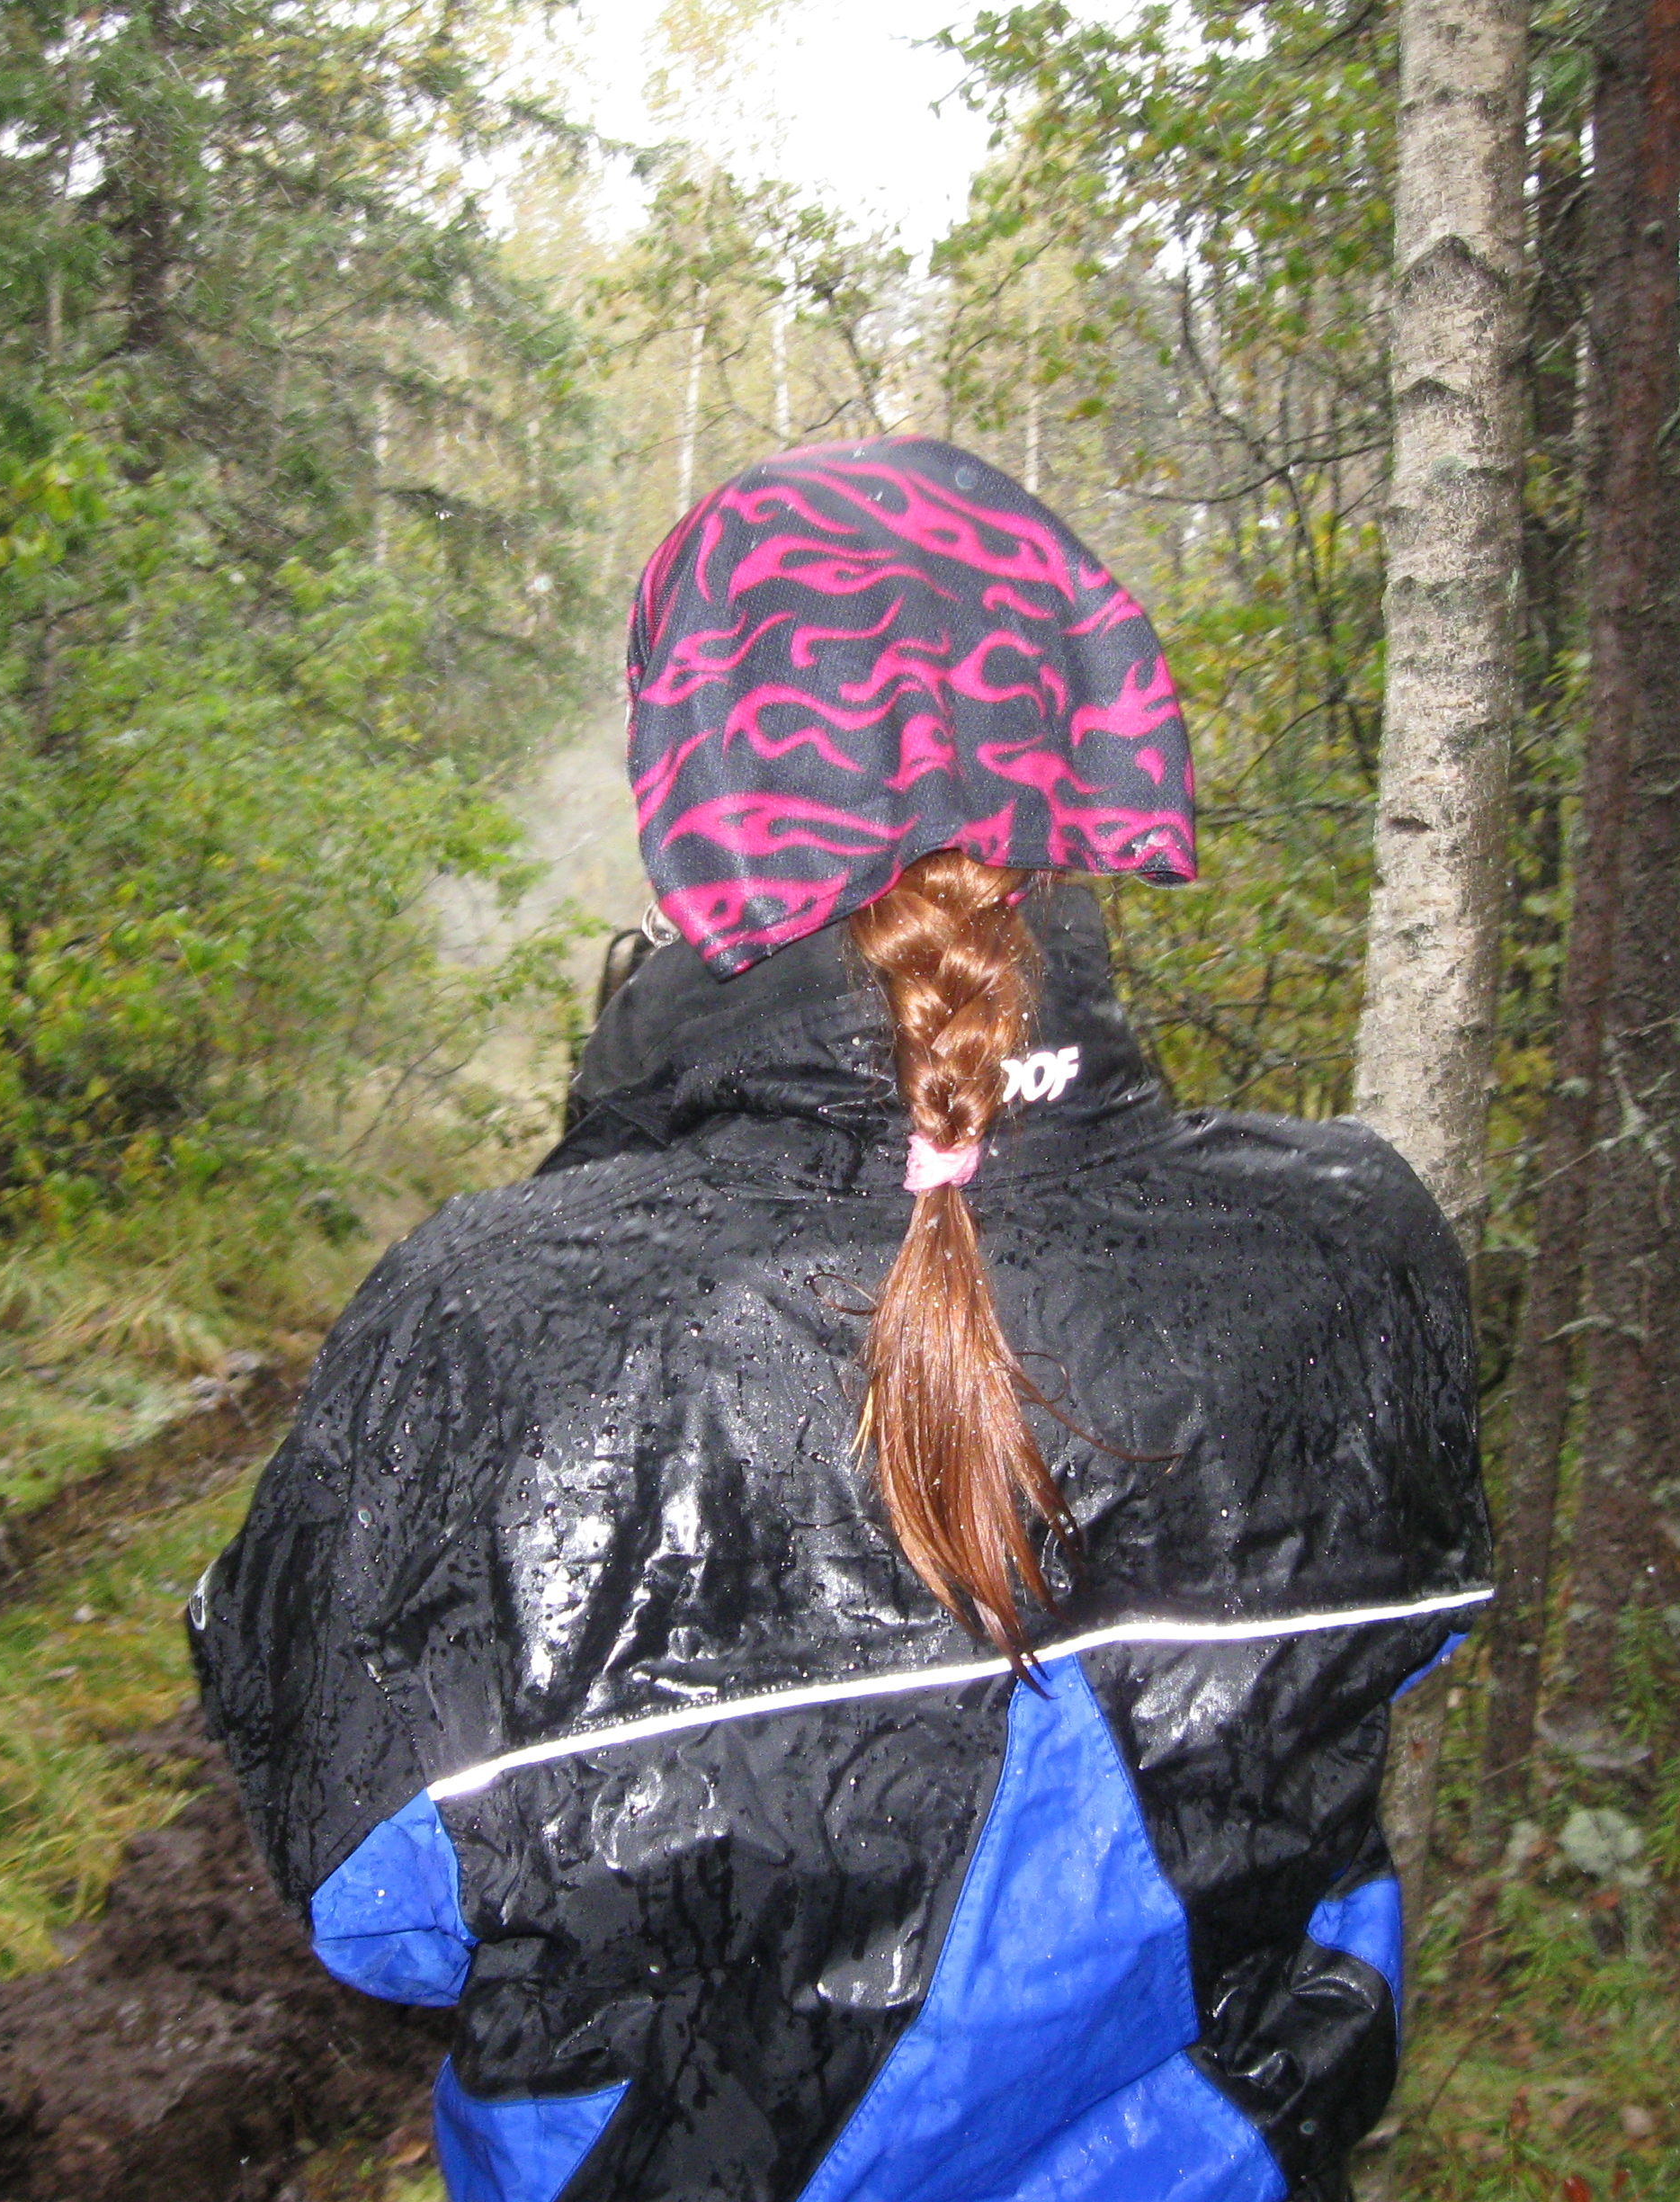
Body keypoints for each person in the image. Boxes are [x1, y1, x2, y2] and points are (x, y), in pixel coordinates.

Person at [191, 436, 1490, 2202]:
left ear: (696, 788)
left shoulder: (487, 1330)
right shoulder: (1361, 1248)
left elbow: (375, 1904)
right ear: (1081, 745)